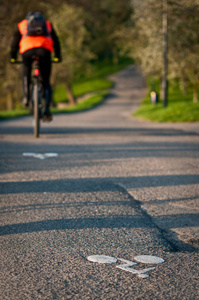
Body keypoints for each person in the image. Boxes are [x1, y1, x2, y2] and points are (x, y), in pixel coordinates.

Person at [10, 11, 61, 121]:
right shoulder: (47, 24)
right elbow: (56, 42)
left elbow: (14, 43)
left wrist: (13, 57)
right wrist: (58, 57)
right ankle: (47, 109)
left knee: (26, 72)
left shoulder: (22, 25)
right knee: (46, 82)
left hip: (27, 51)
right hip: (44, 51)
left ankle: (26, 97)